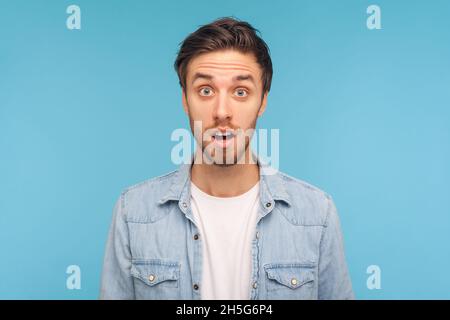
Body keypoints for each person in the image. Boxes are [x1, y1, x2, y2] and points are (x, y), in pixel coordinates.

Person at [100, 17, 354, 300]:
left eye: (240, 92)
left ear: (263, 101)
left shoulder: (317, 214)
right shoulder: (132, 212)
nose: (222, 111)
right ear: (185, 100)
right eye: (205, 91)